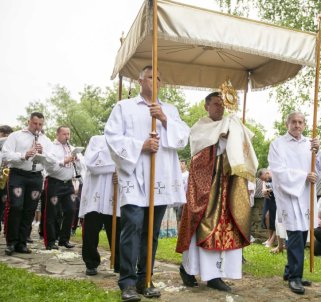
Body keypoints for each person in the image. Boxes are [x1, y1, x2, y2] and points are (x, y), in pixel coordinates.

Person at [105, 65, 190, 301]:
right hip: (134, 176)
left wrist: (164, 120)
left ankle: (146, 279)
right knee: (132, 227)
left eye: (159, 78)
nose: (156, 81)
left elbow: (183, 138)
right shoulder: (124, 107)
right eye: (151, 77)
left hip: (159, 178)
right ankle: (128, 282)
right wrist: (141, 146)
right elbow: (112, 138)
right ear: (139, 81)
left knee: (151, 232)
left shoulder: (169, 110)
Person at [176, 91, 258, 292]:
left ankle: (216, 275)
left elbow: (242, 154)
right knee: (202, 227)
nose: (219, 107)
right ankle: (189, 269)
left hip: (228, 188)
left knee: (226, 229)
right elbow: (197, 160)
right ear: (206, 106)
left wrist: (236, 136)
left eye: (222, 104)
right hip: (208, 190)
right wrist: (219, 141)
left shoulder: (232, 123)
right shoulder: (200, 128)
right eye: (215, 104)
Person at [268, 112, 321, 295]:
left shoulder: (310, 144)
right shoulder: (278, 144)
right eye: (293, 122)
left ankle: (290, 271)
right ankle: (295, 277)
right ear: (287, 124)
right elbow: (277, 170)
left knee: (302, 233)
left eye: (300, 122)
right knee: (294, 234)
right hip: (289, 194)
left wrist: (317, 152)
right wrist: (303, 176)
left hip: (306, 194)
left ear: (304, 124)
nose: (297, 125)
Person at [1, 112, 53, 255]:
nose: (37, 127)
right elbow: (6, 154)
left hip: (36, 176)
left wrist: (44, 154)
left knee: (30, 210)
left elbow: (52, 162)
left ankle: (22, 243)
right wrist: (24, 155)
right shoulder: (16, 136)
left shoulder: (46, 140)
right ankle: (11, 242)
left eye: (40, 124)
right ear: (28, 121)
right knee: (16, 206)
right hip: (18, 174)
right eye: (35, 123)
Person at [78, 135, 120, 276]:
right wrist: (116, 165)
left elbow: (130, 162)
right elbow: (91, 164)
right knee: (91, 231)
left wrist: (120, 171)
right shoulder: (96, 139)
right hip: (94, 194)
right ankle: (91, 263)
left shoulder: (123, 140)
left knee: (117, 231)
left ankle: (119, 263)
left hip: (113, 193)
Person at [42, 126, 80, 250]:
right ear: (58, 134)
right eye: (64, 134)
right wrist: (64, 160)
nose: (67, 136)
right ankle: (50, 241)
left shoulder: (72, 148)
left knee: (71, 210)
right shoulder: (51, 147)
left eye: (68, 134)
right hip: (54, 183)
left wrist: (77, 161)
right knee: (52, 212)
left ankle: (64, 239)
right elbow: (49, 166)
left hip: (68, 184)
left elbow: (80, 167)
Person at [257, 168, 276, 248]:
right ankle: (269, 238)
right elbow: (264, 187)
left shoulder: (275, 175)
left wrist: (267, 191)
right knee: (267, 217)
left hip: (276, 199)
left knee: (277, 220)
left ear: (267, 173)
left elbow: (277, 187)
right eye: (262, 179)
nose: (264, 180)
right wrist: (264, 190)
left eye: (264, 178)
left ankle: (272, 240)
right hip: (269, 200)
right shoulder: (265, 179)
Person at [0, 125, 13, 233]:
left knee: (4, 203)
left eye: (8, 135)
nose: (5, 137)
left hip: (5, 179)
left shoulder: (9, 148)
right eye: (4, 134)